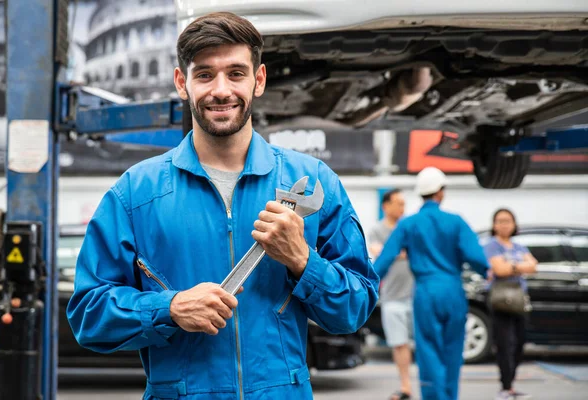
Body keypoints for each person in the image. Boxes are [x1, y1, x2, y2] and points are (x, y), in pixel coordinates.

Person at [66, 12, 379, 400]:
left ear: (258, 80)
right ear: (182, 83)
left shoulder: (315, 181)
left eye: (235, 73)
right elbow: (88, 314)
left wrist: (303, 261)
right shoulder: (135, 193)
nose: (220, 90)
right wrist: (170, 308)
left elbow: (355, 308)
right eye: (204, 75)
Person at [373, 167, 490, 400]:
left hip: (425, 292)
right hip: (453, 292)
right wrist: (487, 272)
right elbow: (478, 259)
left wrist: (369, 284)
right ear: (440, 192)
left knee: (428, 351)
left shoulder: (409, 224)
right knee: (453, 352)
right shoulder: (456, 222)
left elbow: (385, 258)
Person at [483, 209, 537, 400]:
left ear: (514, 224)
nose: (504, 224)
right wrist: (518, 266)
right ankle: (505, 388)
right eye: (500, 221)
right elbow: (499, 269)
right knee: (505, 343)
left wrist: (511, 266)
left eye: (507, 221)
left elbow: (533, 265)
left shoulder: (519, 246)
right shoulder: (491, 246)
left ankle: (511, 385)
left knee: (520, 342)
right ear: (494, 224)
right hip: (500, 300)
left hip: (519, 300)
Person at [368, 189, 415, 400]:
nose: (402, 208)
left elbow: (395, 253)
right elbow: (381, 253)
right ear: (385, 206)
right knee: (399, 343)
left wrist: (396, 253)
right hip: (392, 296)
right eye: (398, 203)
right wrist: (402, 253)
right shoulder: (377, 230)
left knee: (423, 342)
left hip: (416, 296)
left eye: (404, 204)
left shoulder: (410, 228)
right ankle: (406, 386)